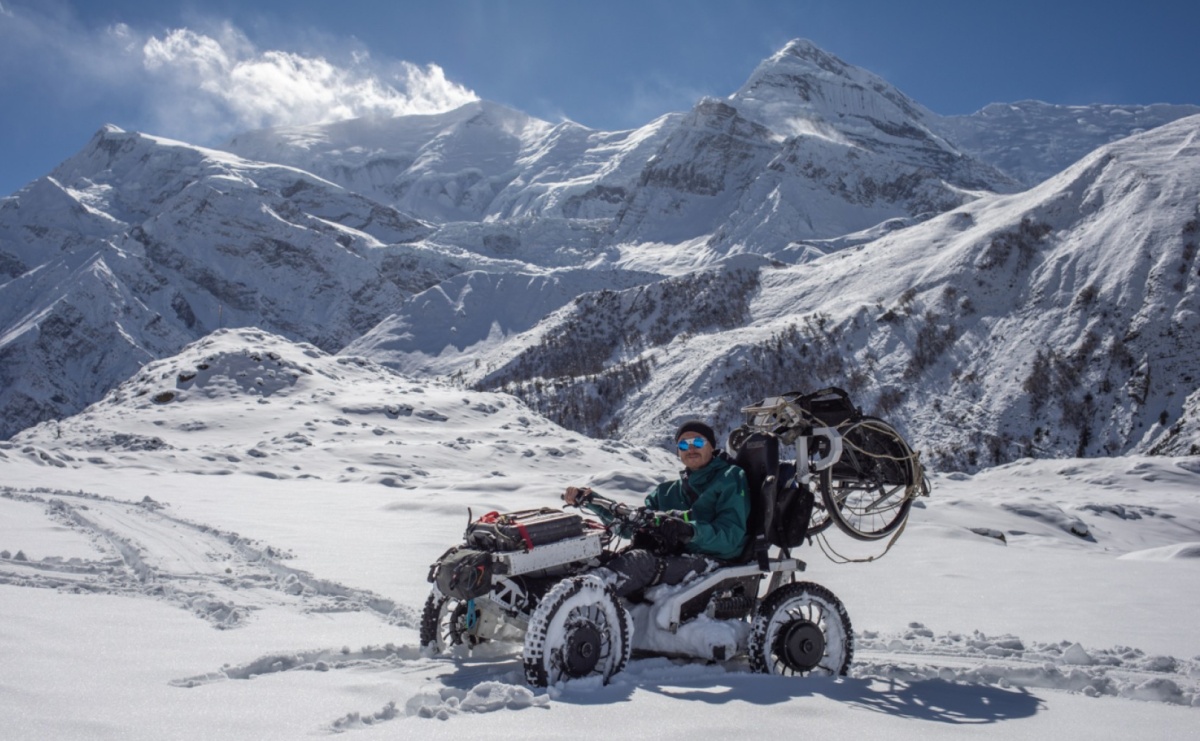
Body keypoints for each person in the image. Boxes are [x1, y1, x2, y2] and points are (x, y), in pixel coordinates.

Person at [564, 420, 750, 598]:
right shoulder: (666, 492)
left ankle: (578, 599)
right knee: (593, 558)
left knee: (637, 564)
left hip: (713, 560)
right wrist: (593, 501)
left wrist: (689, 531)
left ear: (711, 446)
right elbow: (633, 524)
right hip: (671, 556)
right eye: (684, 445)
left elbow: (730, 536)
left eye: (698, 442)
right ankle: (559, 598)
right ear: (678, 451)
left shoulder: (730, 478)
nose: (691, 448)